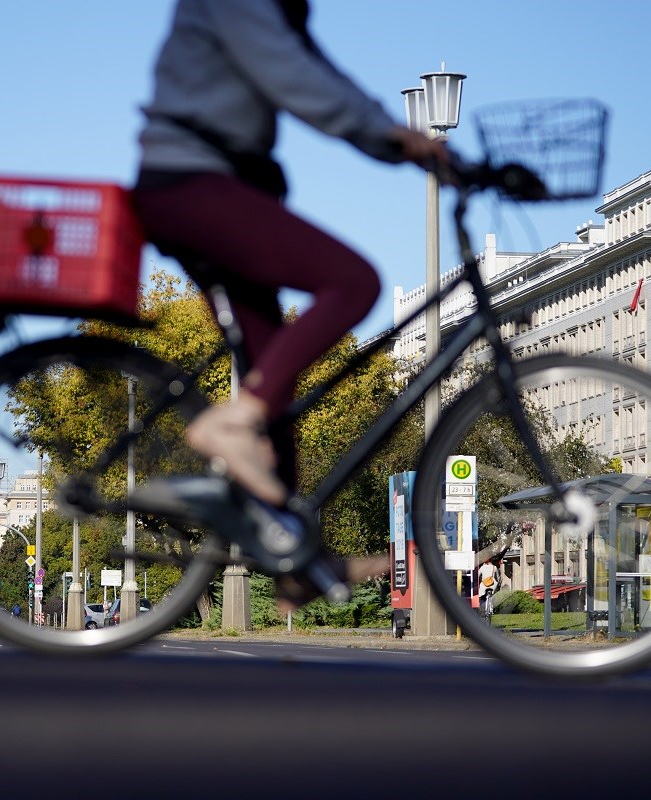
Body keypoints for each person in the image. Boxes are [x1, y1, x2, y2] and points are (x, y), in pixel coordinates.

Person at [131, 0, 447, 606]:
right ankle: (232, 423)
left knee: (272, 375)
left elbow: (316, 69)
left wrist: (395, 140)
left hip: (209, 187)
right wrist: (393, 136)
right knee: (354, 283)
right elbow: (294, 75)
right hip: (193, 185)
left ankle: (295, 557)